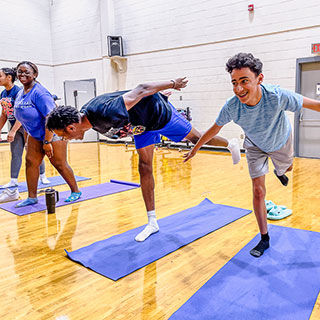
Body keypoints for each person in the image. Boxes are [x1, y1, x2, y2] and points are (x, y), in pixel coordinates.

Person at [46, 77, 241, 242]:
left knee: (198, 139)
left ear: (71, 128)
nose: (64, 139)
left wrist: (172, 84)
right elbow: (120, 94)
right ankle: (152, 221)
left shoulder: (104, 112)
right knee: (144, 167)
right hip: (142, 127)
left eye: (62, 135)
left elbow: (141, 89)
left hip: (161, 115)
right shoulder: (90, 120)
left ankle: (230, 144)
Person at [184, 53, 320, 257]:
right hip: (255, 146)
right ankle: (264, 238)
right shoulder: (232, 106)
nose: (239, 89)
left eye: (244, 81)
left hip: (280, 141)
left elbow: (315, 105)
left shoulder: (277, 96)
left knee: (287, 168)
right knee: (258, 191)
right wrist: (196, 148)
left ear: (260, 79)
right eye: (234, 82)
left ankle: (280, 170)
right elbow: (214, 129)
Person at [13, 61, 81, 207]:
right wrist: (27, 138)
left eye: (26, 72)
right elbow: (24, 118)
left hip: (53, 133)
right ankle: (32, 197)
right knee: (31, 163)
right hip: (34, 134)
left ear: (35, 74)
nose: (22, 74)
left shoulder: (40, 92)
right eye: (20, 71)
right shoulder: (20, 92)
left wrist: (47, 142)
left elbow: (50, 118)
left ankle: (75, 191)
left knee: (59, 163)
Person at [0, 67, 50, 203]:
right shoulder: (3, 93)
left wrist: (13, 130)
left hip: (25, 127)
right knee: (16, 153)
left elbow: (22, 113)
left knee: (33, 153)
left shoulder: (18, 91)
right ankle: (13, 181)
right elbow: (4, 113)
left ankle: (43, 175)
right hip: (14, 127)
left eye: (0, 76)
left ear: (9, 77)